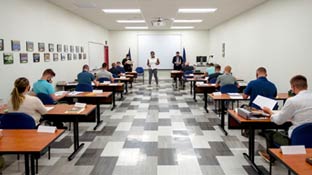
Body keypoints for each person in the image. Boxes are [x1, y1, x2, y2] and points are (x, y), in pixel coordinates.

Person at [258, 75, 312, 162]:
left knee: (270, 134)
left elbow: (279, 121)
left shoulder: (292, 101)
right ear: (306, 86)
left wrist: (270, 113)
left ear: (293, 87)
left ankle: (271, 157)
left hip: (297, 139)